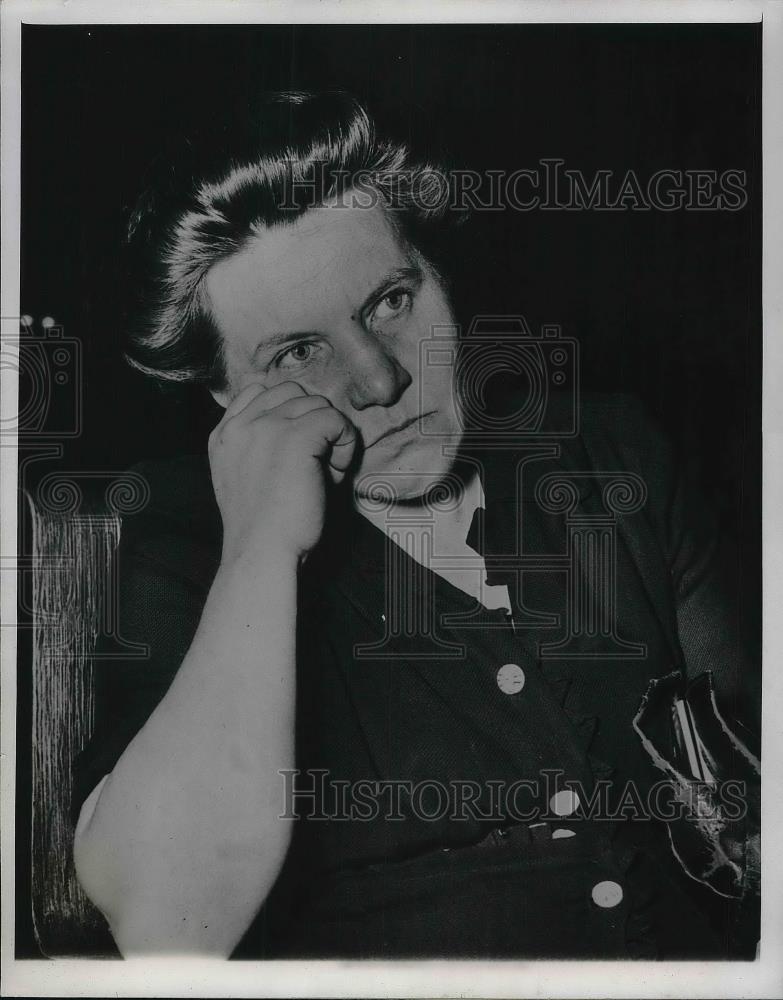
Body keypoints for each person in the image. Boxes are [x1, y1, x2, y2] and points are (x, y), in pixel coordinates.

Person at [71, 91, 760, 959]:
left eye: (390, 302)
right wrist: (260, 548)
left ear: (437, 271)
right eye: (296, 353)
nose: (378, 381)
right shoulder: (178, 549)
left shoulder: (609, 457)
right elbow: (166, 925)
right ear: (224, 398)